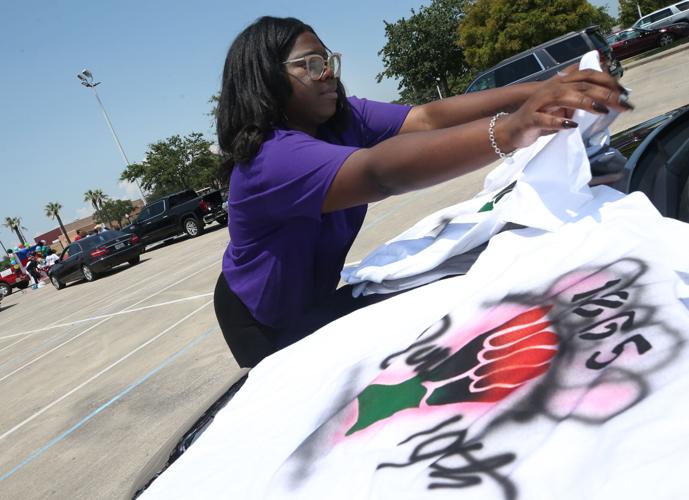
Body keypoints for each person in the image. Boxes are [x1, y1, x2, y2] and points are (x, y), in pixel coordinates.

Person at [213, 16, 632, 368]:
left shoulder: (340, 117)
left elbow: (427, 118)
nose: (328, 74)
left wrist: (543, 89)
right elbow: (378, 174)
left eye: (329, 61)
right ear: (267, 79)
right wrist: (510, 129)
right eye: (311, 64)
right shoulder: (269, 161)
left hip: (314, 290)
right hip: (261, 319)